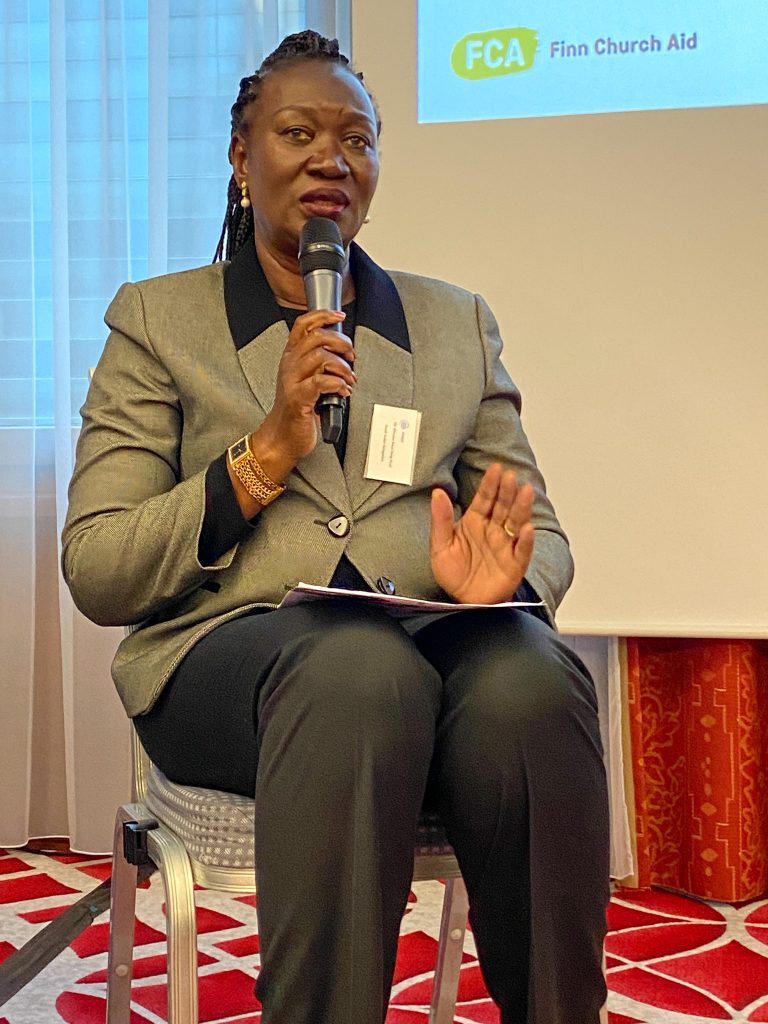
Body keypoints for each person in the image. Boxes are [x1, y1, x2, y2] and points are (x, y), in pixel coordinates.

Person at [62, 30, 609, 1024]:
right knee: (357, 668)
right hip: (230, 665)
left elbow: (545, 532)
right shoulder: (157, 322)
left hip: (431, 652)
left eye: (357, 137)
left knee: (534, 676)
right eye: (298, 131)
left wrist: (505, 582)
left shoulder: (454, 324)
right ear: (241, 156)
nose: (331, 157)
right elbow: (100, 565)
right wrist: (259, 457)